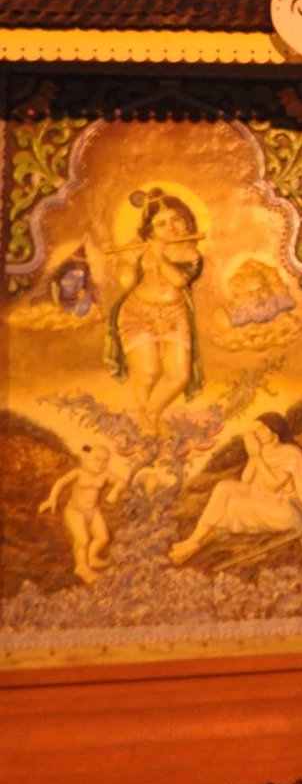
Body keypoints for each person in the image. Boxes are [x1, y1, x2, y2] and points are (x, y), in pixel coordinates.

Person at [168, 412, 302, 566]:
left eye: (260, 430)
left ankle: (194, 545)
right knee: (223, 487)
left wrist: (257, 457)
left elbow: (274, 486)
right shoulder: (263, 450)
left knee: (233, 506)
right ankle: (193, 541)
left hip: (286, 510)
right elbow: (246, 479)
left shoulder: (291, 453)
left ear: (273, 431)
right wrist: (252, 456)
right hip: (264, 498)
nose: (256, 434)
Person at [106, 187, 205, 430]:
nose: (171, 228)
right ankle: (150, 421)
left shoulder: (190, 251)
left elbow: (179, 282)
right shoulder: (140, 248)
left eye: (176, 220)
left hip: (174, 314)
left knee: (180, 376)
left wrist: (159, 258)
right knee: (148, 373)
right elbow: (126, 283)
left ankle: (148, 414)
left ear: (187, 222)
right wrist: (127, 260)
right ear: (150, 231)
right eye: (161, 224)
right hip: (137, 313)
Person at [38, 444, 126, 584]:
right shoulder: (78, 473)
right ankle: (81, 567)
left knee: (103, 537)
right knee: (83, 540)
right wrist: (52, 499)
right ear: (87, 458)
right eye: (96, 459)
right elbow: (60, 483)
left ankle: (91, 558)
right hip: (75, 510)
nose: (100, 464)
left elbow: (121, 482)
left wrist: (114, 491)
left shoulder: (105, 475)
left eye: (104, 461)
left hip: (93, 511)